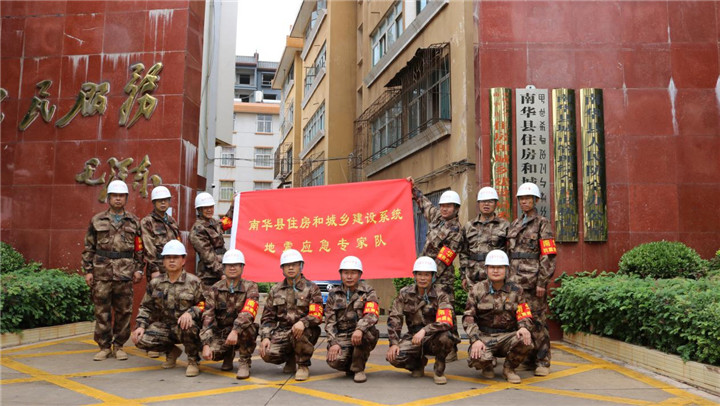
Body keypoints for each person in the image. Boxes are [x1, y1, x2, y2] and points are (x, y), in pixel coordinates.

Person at [82, 179, 144, 361]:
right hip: (102, 271)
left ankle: (119, 346)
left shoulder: (134, 221)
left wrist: (139, 269)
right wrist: (88, 270)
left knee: (124, 311)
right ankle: (104, 346)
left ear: (126, 198)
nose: (118, 199)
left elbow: (139, 248)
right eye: (115, 196)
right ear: (108, 198)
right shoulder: (97, 220)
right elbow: (89, 247)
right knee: (102, 310)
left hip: (125, 272)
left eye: (121, 196)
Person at [407, 177, 464, 361]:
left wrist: (428, 276)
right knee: (428, 310)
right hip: (427, 274)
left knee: (446, 310)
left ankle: (452, 347)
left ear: (456, 209)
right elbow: (424, 204)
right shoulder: (437, 218)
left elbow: (444, 259)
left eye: (449, 206)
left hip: (441, 277)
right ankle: (432, 341)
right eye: (443, 206)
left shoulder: (456, 231)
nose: (444, 209)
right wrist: (412, 188)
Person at [131, 240, 205, 377]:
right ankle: (171, 351)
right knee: (139, 339)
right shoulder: (156, 283)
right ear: (163, 261)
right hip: (164, 327)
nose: (171, 261)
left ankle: (193, 361)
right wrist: (140, 326)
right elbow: (145, 307)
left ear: (183, 260)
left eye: (176, 257)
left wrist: (191, 312)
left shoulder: (193, 282)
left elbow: (204, 304)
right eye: (168, 257)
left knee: (189, 326)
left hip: (185, 327)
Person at [507, 182, 557, 376]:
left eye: (528, 198)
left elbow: (548, 254)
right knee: (520, 321)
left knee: (537, 322)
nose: (524, 201)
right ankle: (526, 358)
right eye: (521, 199)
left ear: (536, 200)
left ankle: (543, 361)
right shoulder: (515, 224)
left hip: (533, 281)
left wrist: (542, 282)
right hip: (515, 282)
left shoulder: (543, 223)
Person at [463, 250, 533, 384]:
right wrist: (475, 339)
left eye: (500, 267)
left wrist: (524, 328)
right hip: (484, 336)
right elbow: (468, 317)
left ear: (506, 269)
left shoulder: (516, 290)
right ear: (486, 269)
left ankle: (509, 369)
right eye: (492, 267)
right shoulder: (477, 289)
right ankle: (487, 364)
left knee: (526, 340)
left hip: (508, 336)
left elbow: (524, 313)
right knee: (478, 357)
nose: (496, 270)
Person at [386, 257, 459, 385]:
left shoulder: (441, 294)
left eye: (427, 275)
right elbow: (395, 317)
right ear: (414, 275)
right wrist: (393, 343)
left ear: (433, 276)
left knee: (446, 337)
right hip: (413, 337)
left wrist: (425, 331)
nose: (423, 278)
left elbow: (446, 321)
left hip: (435, 337)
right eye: (419, 274)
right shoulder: (405, 293)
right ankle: (417, 364)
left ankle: (439, 369)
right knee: (394, 357)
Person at [259, 249, 323, 381]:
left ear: (301, 266)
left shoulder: (312, 288)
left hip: (305, 331)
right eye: (287, 265)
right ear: (282, 268)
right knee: (268, 354)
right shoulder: (275, 290)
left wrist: (303, 322)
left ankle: (303, 365)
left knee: (298, 332)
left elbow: (317, 315)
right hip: (282, 331)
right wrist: (265, 337)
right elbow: (267, 318)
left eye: (294, 264)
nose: (291, 268)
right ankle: (291, 359)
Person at [200, 249, 260, 379]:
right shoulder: (215, 289)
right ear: (223, 268)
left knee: (249, 327)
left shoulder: (251, 287)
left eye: (236, 264)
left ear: (242, 267)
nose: (232, 268)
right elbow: (208, 316)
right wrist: (205, 344)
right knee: (212, 353)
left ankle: (244, 361)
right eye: (228, 265)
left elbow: (249, 312)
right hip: (221, 332)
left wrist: (235, 330)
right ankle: (228, 354)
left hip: (241, 332)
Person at [325, 256, 380, 383]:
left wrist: (360, 329)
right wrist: (333, 343)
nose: (349, 276)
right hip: (342, 336)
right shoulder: (334, 293)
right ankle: (351, 362)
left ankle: (358, 368)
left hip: (361, 334)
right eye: (346, 273)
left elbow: (372, 314)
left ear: (360, 274)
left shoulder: (368, 291)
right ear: (340, 274)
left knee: (364, 336)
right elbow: (330, 321)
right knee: (334, 361)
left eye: (353, 273)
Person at [140, 185, 180, 358]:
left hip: (174, 270)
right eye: (159, 201)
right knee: (156, 305)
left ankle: (167, 342)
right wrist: (155, 269)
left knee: (172, 304)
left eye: (165, 200)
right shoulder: (147, 222)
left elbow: (178, 245)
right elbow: (148, 247)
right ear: (154, 202)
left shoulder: (172, 222)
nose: (163, 203)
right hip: (157, 269)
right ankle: (153, 344)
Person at [460, 187, 509, 289]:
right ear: (478, 203)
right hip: (473, 276)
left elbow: (510, 250)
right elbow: (464, 252)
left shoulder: (505, 225)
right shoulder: (469, 226)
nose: (486, 204)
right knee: (473, 304)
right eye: (483, 201)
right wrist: (463, 276)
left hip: (496, 277)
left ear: (496, 204)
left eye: (490, 201)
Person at [189, 192, 226, 289]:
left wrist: (234, 205)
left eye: (211, 207)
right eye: (205, 208)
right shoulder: (198, 229)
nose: (209, 210)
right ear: (199, 210)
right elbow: (207, 256)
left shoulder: (213, 222)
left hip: (222, 270)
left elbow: (227, 221)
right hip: (209, 276)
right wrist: (222, 273)